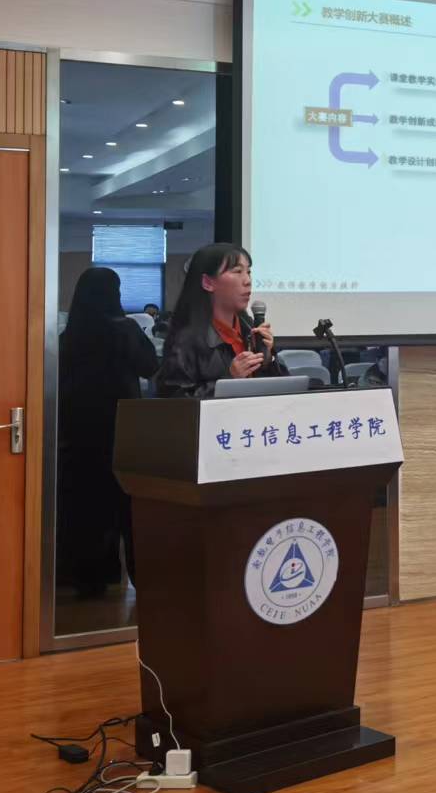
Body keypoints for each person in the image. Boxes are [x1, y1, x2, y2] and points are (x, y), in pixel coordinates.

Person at [58, 266, 159, 599]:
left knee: (87, 507)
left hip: (78, 433)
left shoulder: (68, 335)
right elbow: (150, 366)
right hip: (120, 429)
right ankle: (140, 579)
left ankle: (90, 579)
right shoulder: (124, 329)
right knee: (126, 506)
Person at [156, 243, 285, 398]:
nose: (248, 281)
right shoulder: (184, 340)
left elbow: (284, 394)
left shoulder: (250, 330)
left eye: (248, 272)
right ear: (208, 283)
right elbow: (175, 401)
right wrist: (229, 380)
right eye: (237, 271)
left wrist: (268, 361)